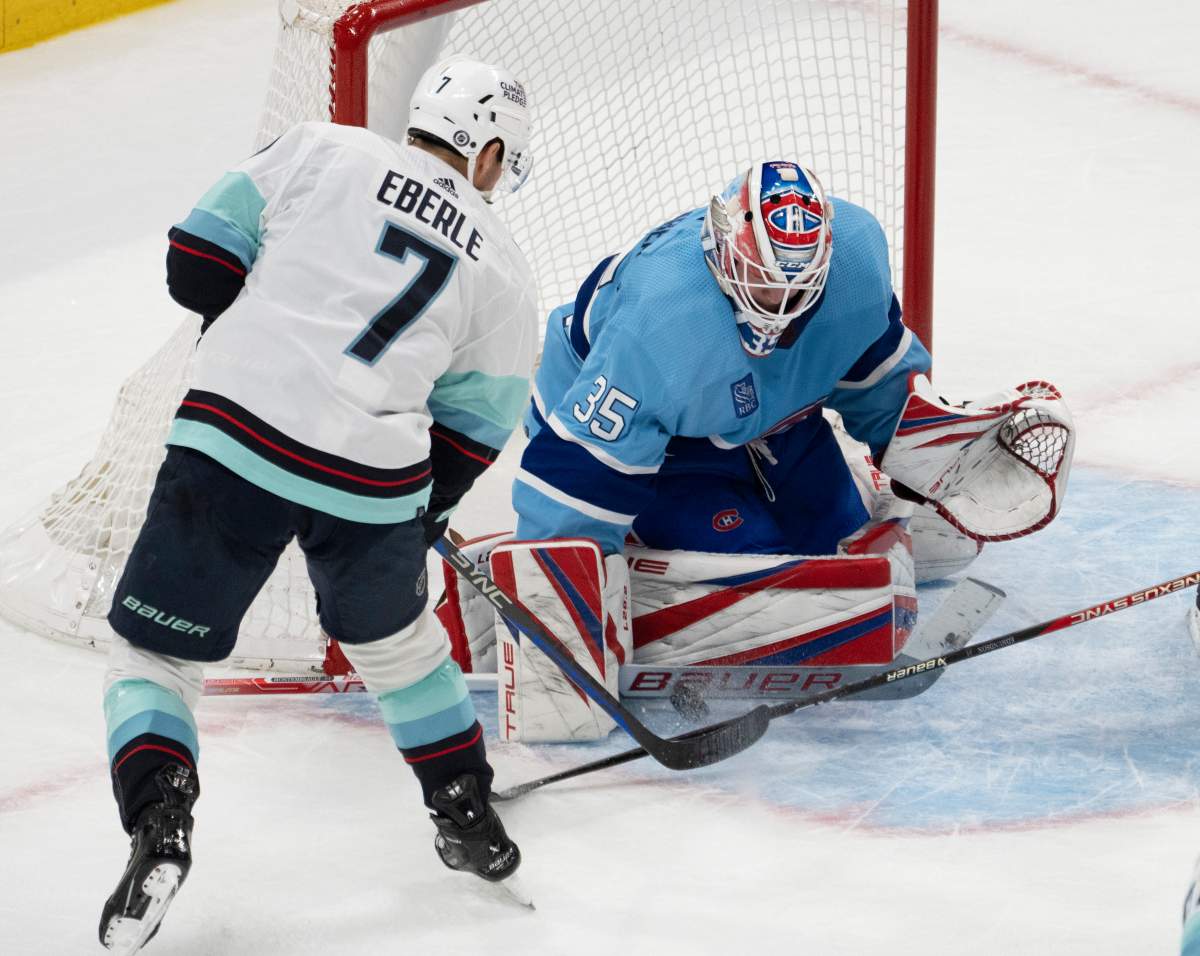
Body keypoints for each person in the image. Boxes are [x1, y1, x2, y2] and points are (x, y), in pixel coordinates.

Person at [98, 56, 537, 953]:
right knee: (400, 648)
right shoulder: (505, 263)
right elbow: (474, 426)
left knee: (153, 652)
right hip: (372, 479)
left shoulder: (321, 149)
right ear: (487, 153)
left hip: (233, 436)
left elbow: (194, 263)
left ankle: (161, 821)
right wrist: (424, 504)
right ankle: (464, 811)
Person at [443, 160, 1073, 743]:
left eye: (796, 289)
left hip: (771, 419)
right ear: (722, 249)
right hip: (655, 442)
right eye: (762, 283)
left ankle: (824, 505)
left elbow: (874, 378)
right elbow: (576, 483)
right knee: (762, 574)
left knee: (831, 551)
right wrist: (556, 602)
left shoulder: (855, 258)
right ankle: (556, 572)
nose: (776, 307)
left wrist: (927, 455)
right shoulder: (661, 326)